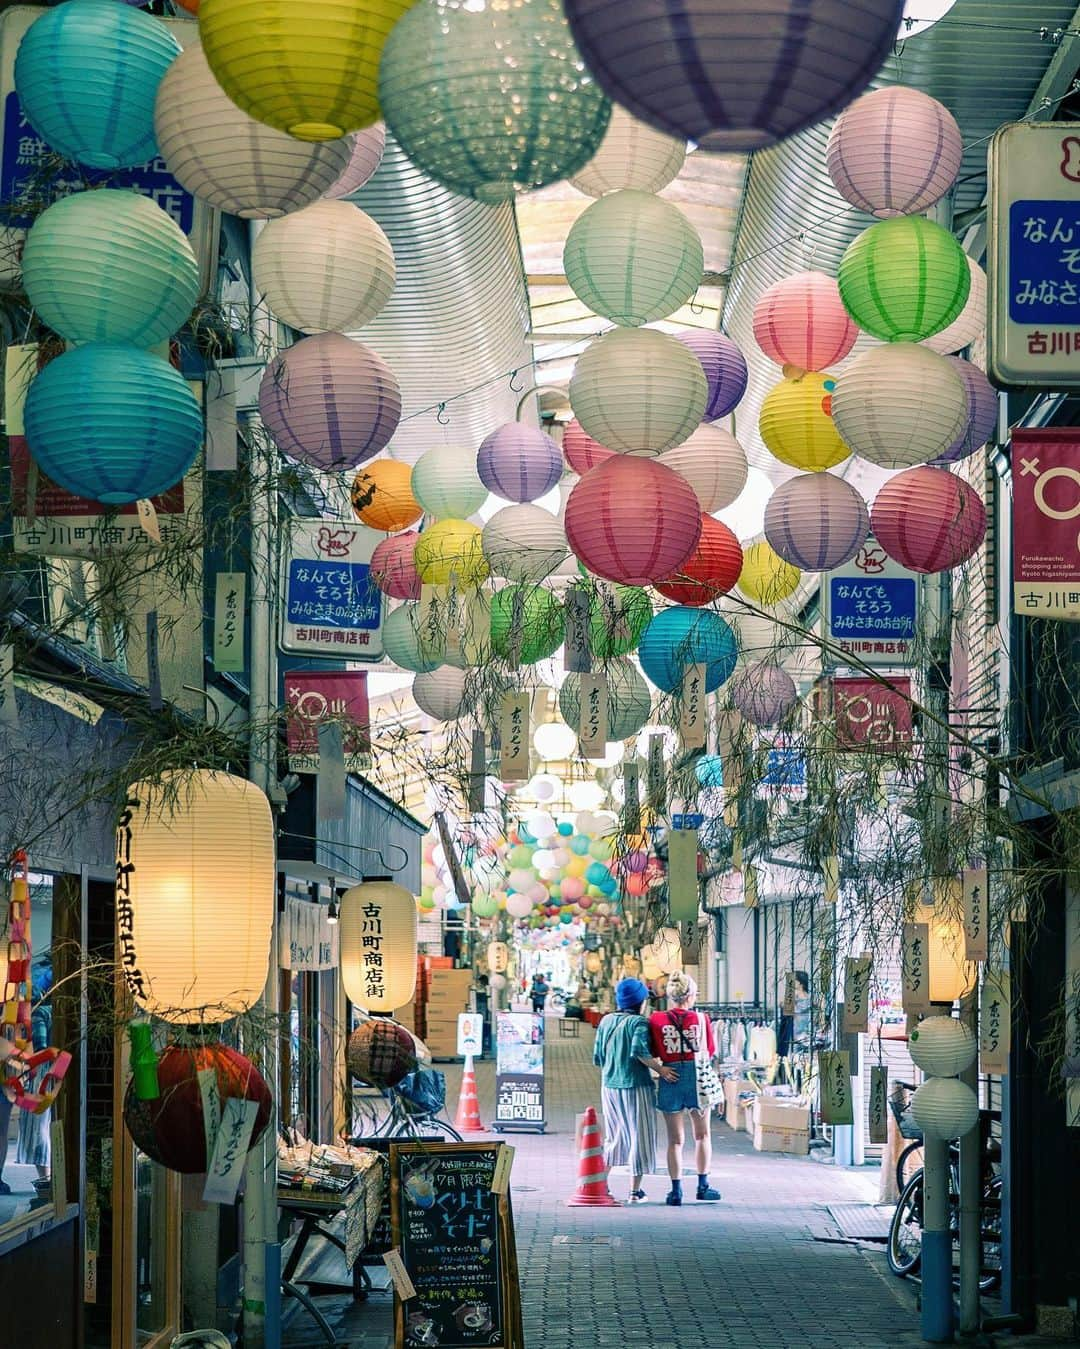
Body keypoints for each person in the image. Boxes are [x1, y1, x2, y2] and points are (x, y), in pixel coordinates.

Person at [593, 978, 677, 1204]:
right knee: (638, 1136)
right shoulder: (640, 1023)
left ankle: (601, 1184)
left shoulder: (606, 1021)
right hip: (636, 1086)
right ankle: (634, 1191)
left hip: (609, 1086)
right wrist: (661, 1068)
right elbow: (640, 1051)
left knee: (614, 1137)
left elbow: (597, 1057)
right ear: (641, 1001)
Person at [649, 970, 721, 1205]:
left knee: (675, 1140)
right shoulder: (702, 1019)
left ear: (670, 995)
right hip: (697, 1078)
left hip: (670, 1076)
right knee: (702, 1135)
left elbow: (654, 1052)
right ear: (690, 995)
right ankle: (702, 1186)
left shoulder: (656, 1019)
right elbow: (709, 1052)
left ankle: (676, 1191)